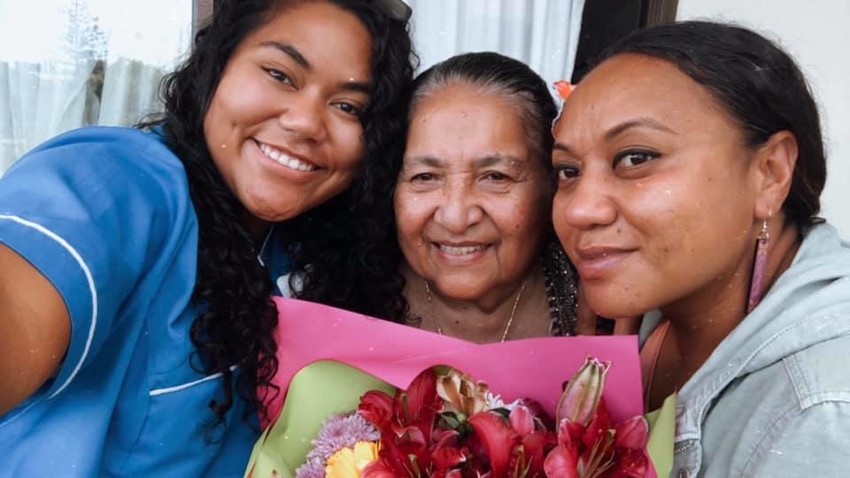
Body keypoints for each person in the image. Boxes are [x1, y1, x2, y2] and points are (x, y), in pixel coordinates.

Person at [0, 0, 414, 475]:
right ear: (215, 67)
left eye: (347, 106)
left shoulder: (311, 245)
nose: (305, 122)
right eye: (280, 75)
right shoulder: (121, 183)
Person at [551, 20, 850, 477]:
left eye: (636, 158)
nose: (580, 211)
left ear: (769, 172)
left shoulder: (820, 414)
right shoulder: (655, 314)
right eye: (568, 170)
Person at [293, 51, 584, 342]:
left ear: (551, 185)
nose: (455, 218)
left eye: (496, 177)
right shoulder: (333, 306)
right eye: (425, 177)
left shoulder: (607, 310)